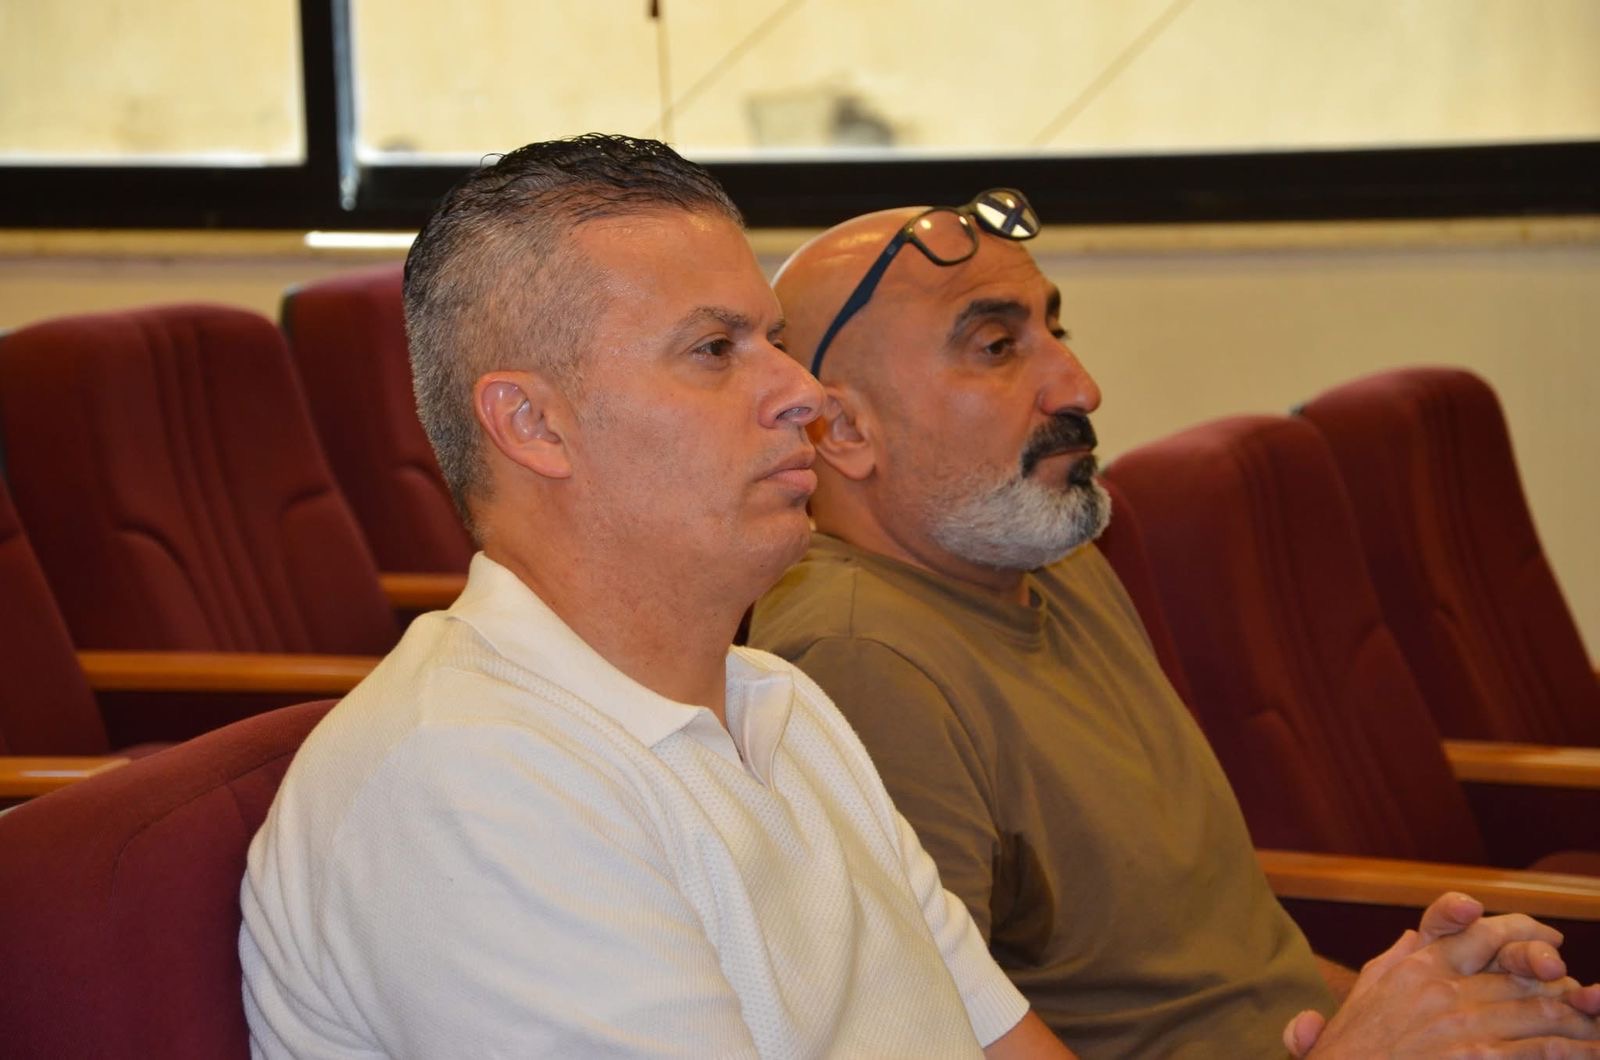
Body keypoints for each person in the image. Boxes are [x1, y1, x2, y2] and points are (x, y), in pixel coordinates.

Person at [238, 135, 1069, 1058]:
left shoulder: (781, 703)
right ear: (533, 424)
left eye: (776, 342)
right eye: (714, 350)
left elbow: (1003, 1043)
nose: (804, 392)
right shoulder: (470, 784)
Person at [751, 189, 1600, 1057]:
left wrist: (1443, 1007)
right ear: (843, 429)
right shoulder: (862, 661)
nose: (1080, 386)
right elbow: (918, 1041)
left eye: (1056, 330)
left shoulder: (1054, 560)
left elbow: (1223, 967)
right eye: (997, 347)